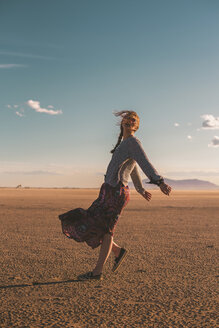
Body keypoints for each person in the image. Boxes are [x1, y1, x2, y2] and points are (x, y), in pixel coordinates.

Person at [59, 111, 171, 281]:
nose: (130, 121)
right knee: (94, 223)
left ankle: (97, 272)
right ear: (122, 122)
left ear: (136, 126)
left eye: (134, 120)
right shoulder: (125, 143)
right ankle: (118, 251)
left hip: (116, 192)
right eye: (128, 118)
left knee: (106, 230)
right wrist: (140, 189)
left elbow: (144, 163)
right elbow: (132, 168)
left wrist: (159, 181)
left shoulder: (133, 141)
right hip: (109, 191)